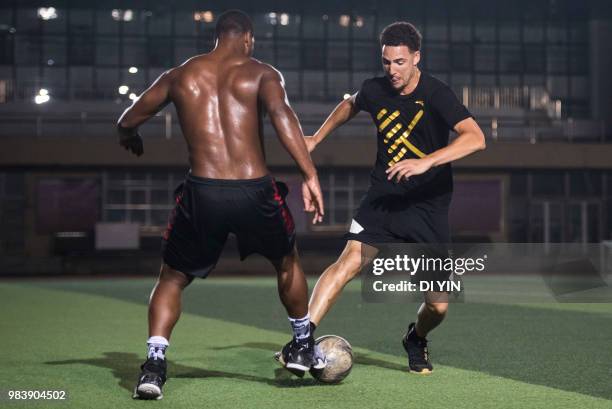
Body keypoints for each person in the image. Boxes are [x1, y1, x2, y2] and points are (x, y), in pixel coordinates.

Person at [116, 10, 325, 400]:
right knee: (287, 261)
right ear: (247, 38)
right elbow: (283, 117)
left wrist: (130, 136)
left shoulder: (181, 75)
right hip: (254, 190)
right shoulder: (262, 73)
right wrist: (309, 174)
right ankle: (301, 344)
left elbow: (129, 118)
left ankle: (154, 365)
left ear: (218, 37)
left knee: (173, 278)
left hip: (203, 191)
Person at [297, 21, 486, 375]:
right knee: (348, 262)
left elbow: (475, 138)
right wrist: (316, 139)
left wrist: (426, 161)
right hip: (382, 200)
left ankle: (416, 338)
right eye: (386, 62)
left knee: (439, 306)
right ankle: (302, 340)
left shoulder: (437, 94)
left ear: (416, 57)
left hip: (427, 207)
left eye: (400, 62)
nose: (392, 70)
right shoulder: (375, 89)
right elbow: (351, 105)